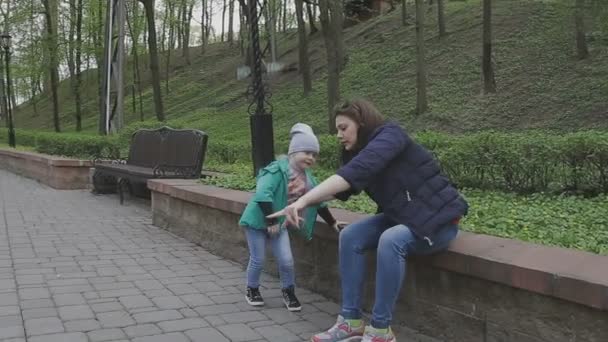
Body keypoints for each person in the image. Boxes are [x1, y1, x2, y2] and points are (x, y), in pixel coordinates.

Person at [268, 99, 468, 341]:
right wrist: (300, 203)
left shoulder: (391, 136)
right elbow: (343, 188)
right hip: (404, 216)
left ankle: (381, 330)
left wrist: (302, 200)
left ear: (361, 123)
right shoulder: (356, 152)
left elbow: (354, 173)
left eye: (343, 128)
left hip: (439, 221)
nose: (339, 136)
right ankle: (350, 320)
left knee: (391, 240)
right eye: (337, 130)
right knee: (351, 235)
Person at [239, 123, 343, 312]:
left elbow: (318, 200)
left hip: (279, 224)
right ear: (293, 152)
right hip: (257, 221)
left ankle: (289, 291)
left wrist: (333, 222)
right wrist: (270, 221)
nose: (311, 158)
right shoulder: (276, 170)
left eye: (314, 154)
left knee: (286, 261)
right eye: (306, 152)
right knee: (258, 259)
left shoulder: (308, 179)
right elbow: (263, 194)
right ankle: (252, 289)